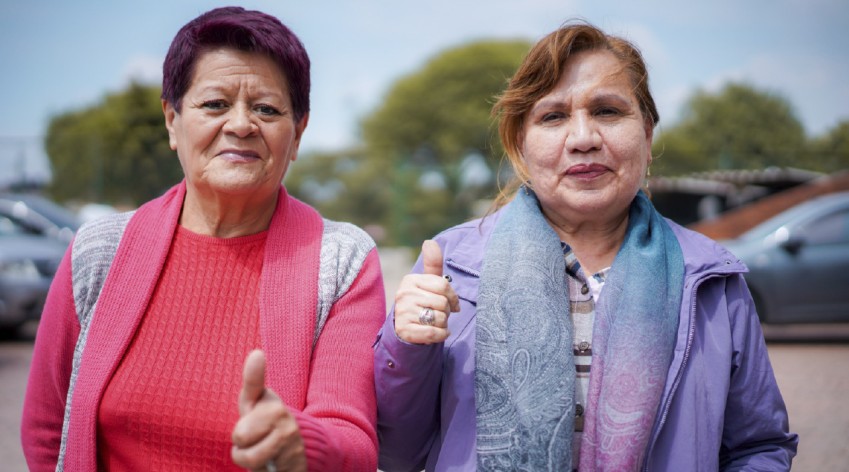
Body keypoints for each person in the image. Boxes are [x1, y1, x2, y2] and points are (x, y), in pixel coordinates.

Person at [374, 21, 798, 471]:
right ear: (521, 145)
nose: (583, 139)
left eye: (608, 112)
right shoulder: (451, 267)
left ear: (648, 136)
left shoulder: (710, 278)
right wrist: (408, 346)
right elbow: (399, 451)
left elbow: (758, 446)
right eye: (553, 117)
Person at [21, 7, 385, 471]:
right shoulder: (98, 252)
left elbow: (353, 441)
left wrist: (303, 443)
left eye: (267, 109)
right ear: (172, 120)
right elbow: (46, 431)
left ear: (298, 134)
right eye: (215, 104)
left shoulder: (343, 262)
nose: (240, 125)